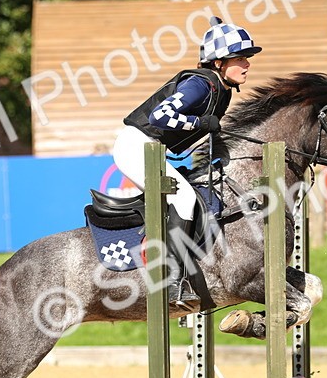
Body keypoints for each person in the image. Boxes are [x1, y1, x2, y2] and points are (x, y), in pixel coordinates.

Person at [112, 16, 262, 307]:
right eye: (240, 58)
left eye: (247, 58)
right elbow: (161, 116)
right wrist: (198, 122)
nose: (247, 64)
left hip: (151, 148)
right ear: (218, 62)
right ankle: (170, 278)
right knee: (183, 200)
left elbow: (207, 131)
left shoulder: (221, 90)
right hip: (135, 146)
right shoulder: (200, 85)